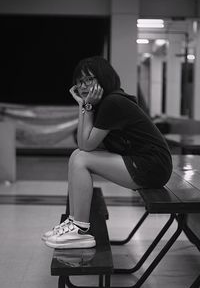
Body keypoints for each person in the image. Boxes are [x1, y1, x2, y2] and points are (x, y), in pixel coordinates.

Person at [42, 56, 173, 249]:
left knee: (81, 159)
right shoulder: (105, 103)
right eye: (80, 81)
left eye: (90, 79)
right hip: (142, 162)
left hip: (152, 166)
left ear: (103, 79)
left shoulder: (113, 103)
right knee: (77, 156)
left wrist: (85, 105)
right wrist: (84, 105)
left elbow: (86, 145)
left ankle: (79, 228)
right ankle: (74, 223)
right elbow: (83, 143)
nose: (84, 85)